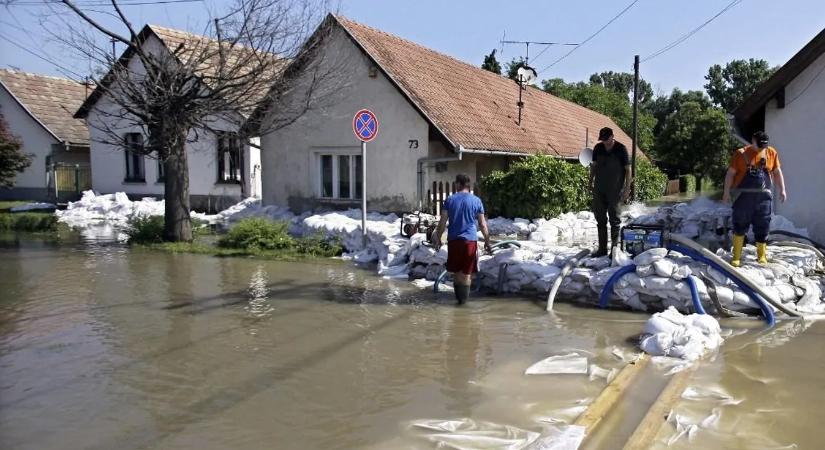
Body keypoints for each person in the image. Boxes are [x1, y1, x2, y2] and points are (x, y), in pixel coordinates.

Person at [722, 131, 786, 267]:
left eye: (764, 145)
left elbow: (777, 172)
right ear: (752, 140)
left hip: (764, 198)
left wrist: (782, 189)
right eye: (759, 145)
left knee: (763, 225)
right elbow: (730, 174)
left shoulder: (771, 153)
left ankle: (761, 256)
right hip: (743, 197)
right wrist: (726, 192)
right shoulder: (741, 154)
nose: (762, 148)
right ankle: (737, 256)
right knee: (739, 224)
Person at [434, 174, 492, 305]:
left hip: (454, 240)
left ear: (458, 184)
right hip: (470, 241)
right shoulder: (476, 200)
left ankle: (458, 301)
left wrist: (438, 238)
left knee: (456, 271)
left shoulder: (450, 200)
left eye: (456, 184)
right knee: (467, 273)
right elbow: (482, 224)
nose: (455, 186)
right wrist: (487, 241)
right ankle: (463, 303)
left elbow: (442, 222)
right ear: (468, 185)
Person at [590, 127, 632, 257]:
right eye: (602, 139)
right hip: (599, 189)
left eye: (607, 139)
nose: (605, 142)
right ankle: (602, 249)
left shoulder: (621, 149)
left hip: (615, 190)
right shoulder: (598, 148)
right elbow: (594, 167)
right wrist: (589, 182)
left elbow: (628, 170)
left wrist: (627, 189)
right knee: (600, 219)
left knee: (615, 220)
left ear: (612, 136)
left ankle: (614, 250)